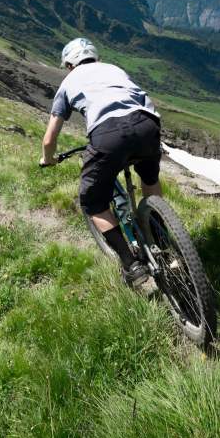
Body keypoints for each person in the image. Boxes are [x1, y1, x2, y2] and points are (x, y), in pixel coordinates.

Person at [39, 37, 161, 285]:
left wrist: (47, 159)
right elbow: (142, 97)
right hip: (147, 123)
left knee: (93, 202)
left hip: (108, 134)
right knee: (150, 177)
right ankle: (161, 238)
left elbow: (50, 137)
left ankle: (132, 265)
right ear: (95, 57)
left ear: (69, 65)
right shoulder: (114, 69)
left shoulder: (68, 82)